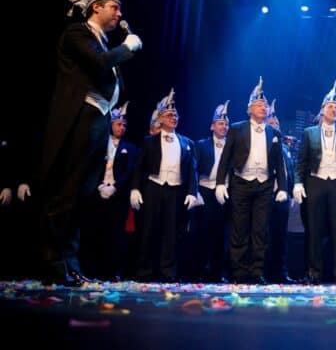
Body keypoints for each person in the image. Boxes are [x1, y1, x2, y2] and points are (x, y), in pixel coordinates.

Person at [38, 0, 143, 286]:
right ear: (96, 7)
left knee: (82, 196)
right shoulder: (77, 33)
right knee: (67, 193)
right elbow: (98, 65)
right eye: (114, 6)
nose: (119, 13)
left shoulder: (102, 43)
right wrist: (127, 48)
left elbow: (114, 81)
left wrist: (119, 53)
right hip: (80, 119)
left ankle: (70, 264)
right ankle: (54, 264)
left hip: (98, 120)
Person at [215, 78, 287, 284]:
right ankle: (238, 272)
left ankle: (257, 271)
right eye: (259, 104)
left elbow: (279, 162)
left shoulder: (274, 132)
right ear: (249, 109)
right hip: (241, 183)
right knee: (239, 229)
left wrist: (282, 187)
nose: (264, 107)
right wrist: (220, 183)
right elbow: (225, 158)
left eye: (265, 105)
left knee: (260, 230)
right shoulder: (237, 129)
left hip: (264, 185)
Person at [293, 81, 336, 285]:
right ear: (322, 110)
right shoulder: (309, 132)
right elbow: (301, 161)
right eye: (330, 107)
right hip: (315, 181)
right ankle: (314, 272)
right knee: (314, 228)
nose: (334, 110)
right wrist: (298, 183)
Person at [130, 89, 199, 282]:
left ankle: (168, 272)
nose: (173, 118)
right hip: (154, 187)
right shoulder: (149, 142)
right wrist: (135, 189)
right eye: (169, 115)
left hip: (175, 191)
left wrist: (192, 192)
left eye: (175, 115)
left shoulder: (187, 143)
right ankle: (144, 271)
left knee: (171, 232)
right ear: (160, 119)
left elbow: (192, 170)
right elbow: (139, 167)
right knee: (148, 230)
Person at [79, 102, 139, 280]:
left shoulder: (131, 148)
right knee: (95, 232)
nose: (122, 128)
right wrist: (99, 185)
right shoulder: (99, 144)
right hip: (97, 193)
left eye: (124, 125)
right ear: (110, 124)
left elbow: (130, 171)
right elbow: (91, 166)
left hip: (117, 195)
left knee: (115, 235)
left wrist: (115, 187)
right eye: (119, 124)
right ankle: (91, 270)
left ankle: (111, 272)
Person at [193, 101, 231, 282]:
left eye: (226, 124)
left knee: (222, 233)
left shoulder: (232, 145)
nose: (224, 127)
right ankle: (201, 270)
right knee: (203, 232)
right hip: (205, 191)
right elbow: (193, 169)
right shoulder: (201, 145)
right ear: (212, 126)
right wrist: (195, 191)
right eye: (220, 123)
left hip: (225, 192)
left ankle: (218, 272)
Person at [264, 99, 297, 284]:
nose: (275, 125)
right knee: (263, 236)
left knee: (281, 236)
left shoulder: (284, 148)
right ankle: (262, 271)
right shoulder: (262, 144)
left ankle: (281, 272)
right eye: (272, 122)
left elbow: (288, 171)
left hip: (282, 197)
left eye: (277, 123)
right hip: (265, 194)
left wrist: (290, 192)